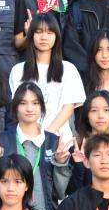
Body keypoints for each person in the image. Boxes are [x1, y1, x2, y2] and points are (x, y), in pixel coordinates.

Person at [10, 14, 86, 144]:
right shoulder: (18, 70)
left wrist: (47, 135)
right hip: (26, 142)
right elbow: (19, 107)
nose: (44, 37)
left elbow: (68, 108)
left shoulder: (68, 69)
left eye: (50, 32)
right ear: (31, 35)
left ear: (56, 36)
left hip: (61, 142)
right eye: (39, 32)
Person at [8, 81, 71, 210]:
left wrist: (61, 163)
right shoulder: (4, 141)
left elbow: (61, 192)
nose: (29, 108)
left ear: (42, 106)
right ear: (15, 107)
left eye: (35, 103)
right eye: (23, 103)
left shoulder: (53, 142)